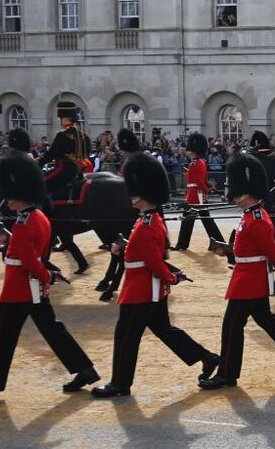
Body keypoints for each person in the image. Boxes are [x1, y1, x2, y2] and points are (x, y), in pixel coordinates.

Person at [0, 155, 98, 402]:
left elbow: (29, 260)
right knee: (52, 329)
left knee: (2, 337)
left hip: (18, 288)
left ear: (16, 194)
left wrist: (45, 275)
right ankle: (85, 370)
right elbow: (30, 252)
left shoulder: (24, 222)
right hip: (32, 288)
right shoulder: (38, 217)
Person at [91, 153, 219, 397]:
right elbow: (146, 253)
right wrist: (121, 248)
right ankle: (207, 357)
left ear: (141, 194)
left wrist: (170, 277)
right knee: (164, 330)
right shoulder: (147, 220)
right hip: (147, 288)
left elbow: (152, 261)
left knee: (126, 336)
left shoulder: (148, 223)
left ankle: (120, 383)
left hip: (142, 290)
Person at [199, 154, 275, 390]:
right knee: (265, 319)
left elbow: (270, 249)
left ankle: (226, 374)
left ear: (245, 191)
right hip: (246, 275)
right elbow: (250, 248)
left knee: (232, 325)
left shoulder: (257, 218)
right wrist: (229, 252)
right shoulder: (249, 215)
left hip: (250, 280)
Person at [172, 133, 225, 251]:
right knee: (196, 220)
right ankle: (217, 242)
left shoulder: (195, 163)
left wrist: (207, 190)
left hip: (195, 196)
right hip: (197, 195)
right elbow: (202, 180)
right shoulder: (200, 162)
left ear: (193, 150)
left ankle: (183, 244)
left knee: (195, 220)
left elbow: (198, 181)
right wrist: (207, 189)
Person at [39, 101, 87, 198]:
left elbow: (52, 154)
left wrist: (38, 162)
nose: (60, 121)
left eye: (60, 118)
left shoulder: (62, 134)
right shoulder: (82, 135)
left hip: (63, 169)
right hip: (76, 169)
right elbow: (86, 152)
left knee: (39, 184)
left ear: (65, 118)